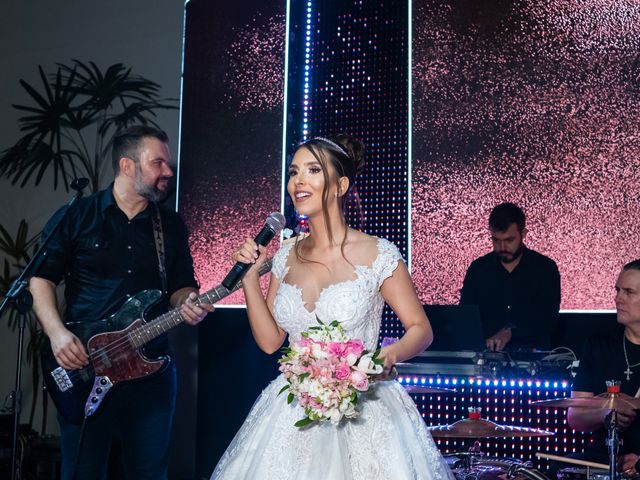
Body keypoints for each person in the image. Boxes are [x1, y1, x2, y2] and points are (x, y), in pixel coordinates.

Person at [211, 135, 454, 480]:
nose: (298, 181)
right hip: (296, 412)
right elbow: (269, 342)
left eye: (312, 170)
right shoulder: (284, 255)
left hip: (366, 410)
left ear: (340, 185)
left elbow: (421, 329)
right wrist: (250, 279)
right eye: (294, 172)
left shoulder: (378, 253)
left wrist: (386, 357)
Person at [29, 125, 213, 480]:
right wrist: (56, 334)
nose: (168, 172)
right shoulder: (77, 215)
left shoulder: (170, 225)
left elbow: (180, 286)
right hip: (85, 363)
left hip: (151, 371)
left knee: (149, 472)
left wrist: (188, 301)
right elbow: (40, 279)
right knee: (83, 471)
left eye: (167, 164)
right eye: (158, 163)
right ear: (127, 166)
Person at [566, 259, 640, 474]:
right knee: (558, 469)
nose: (618, 298)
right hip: (603, 458)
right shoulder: (598, 345)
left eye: (628, 292)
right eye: (617, 290)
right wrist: (606, 414)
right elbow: (575, 416)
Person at [459, 202, 561, 351]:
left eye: (509, 240)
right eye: (496, 240)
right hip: (486, 357)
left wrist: (510, 332)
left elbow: (548, 320)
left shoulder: (545, 268)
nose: (502, 247)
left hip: (532, 357)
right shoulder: (479, 269)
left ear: (523, 234)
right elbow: (466, 317)